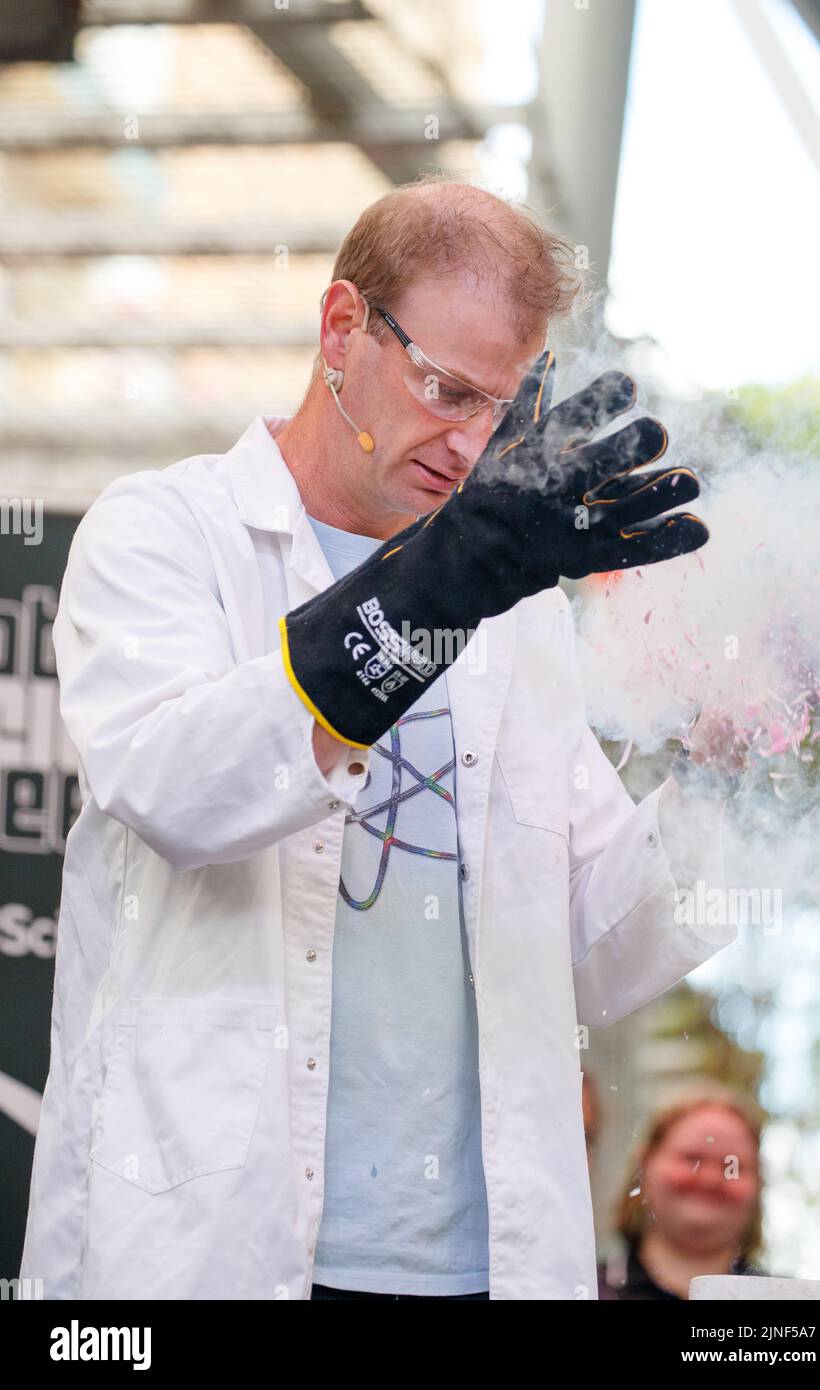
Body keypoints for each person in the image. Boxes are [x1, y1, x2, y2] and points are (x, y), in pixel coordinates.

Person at [20, 176, 747, 1301]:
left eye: (498, 412)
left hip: (476, 1263)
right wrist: (430, 593)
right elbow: (178, 790)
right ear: (341, 328)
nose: (468, 448)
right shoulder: (164, 531)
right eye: (447, 390)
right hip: (220, 1250)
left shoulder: (520, 606)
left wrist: (722, 763)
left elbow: (596, 952)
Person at [598, 1084, 766, 1300]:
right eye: (692, 1159)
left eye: (732, 1167)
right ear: (645, 1165)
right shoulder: (578, 1290)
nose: (710, 1179)